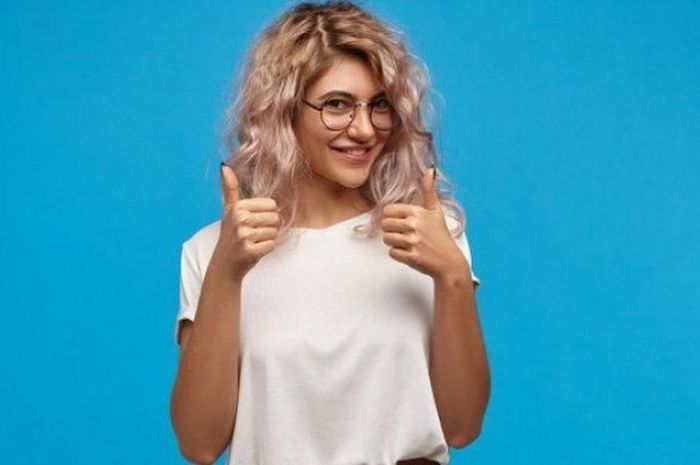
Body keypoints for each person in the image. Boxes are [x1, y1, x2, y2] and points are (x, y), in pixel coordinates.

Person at [169, 1, 490, 464]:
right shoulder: (211, 252)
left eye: (379, 105)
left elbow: (462, 427)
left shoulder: (428, 236)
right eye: (337, 105)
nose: (364, 129)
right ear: (283, 110)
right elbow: (198, 444)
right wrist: (226, 272)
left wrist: (453, 276)